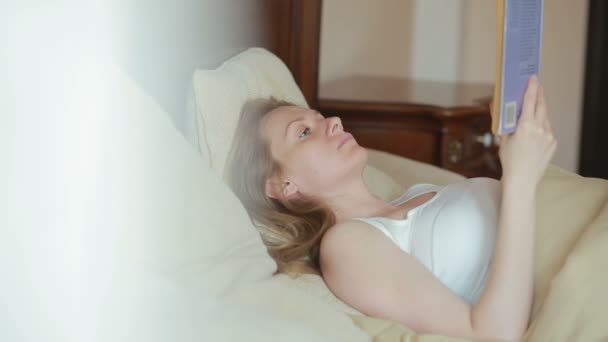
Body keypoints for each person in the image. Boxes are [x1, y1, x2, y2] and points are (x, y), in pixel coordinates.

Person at [225, 75, 557, 342]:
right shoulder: (347, 245)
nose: (335, 122)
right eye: (305, 132)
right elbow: (491, 336)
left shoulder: (416, 194)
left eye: (321, 117)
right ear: (282, 185)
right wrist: (520, 178)